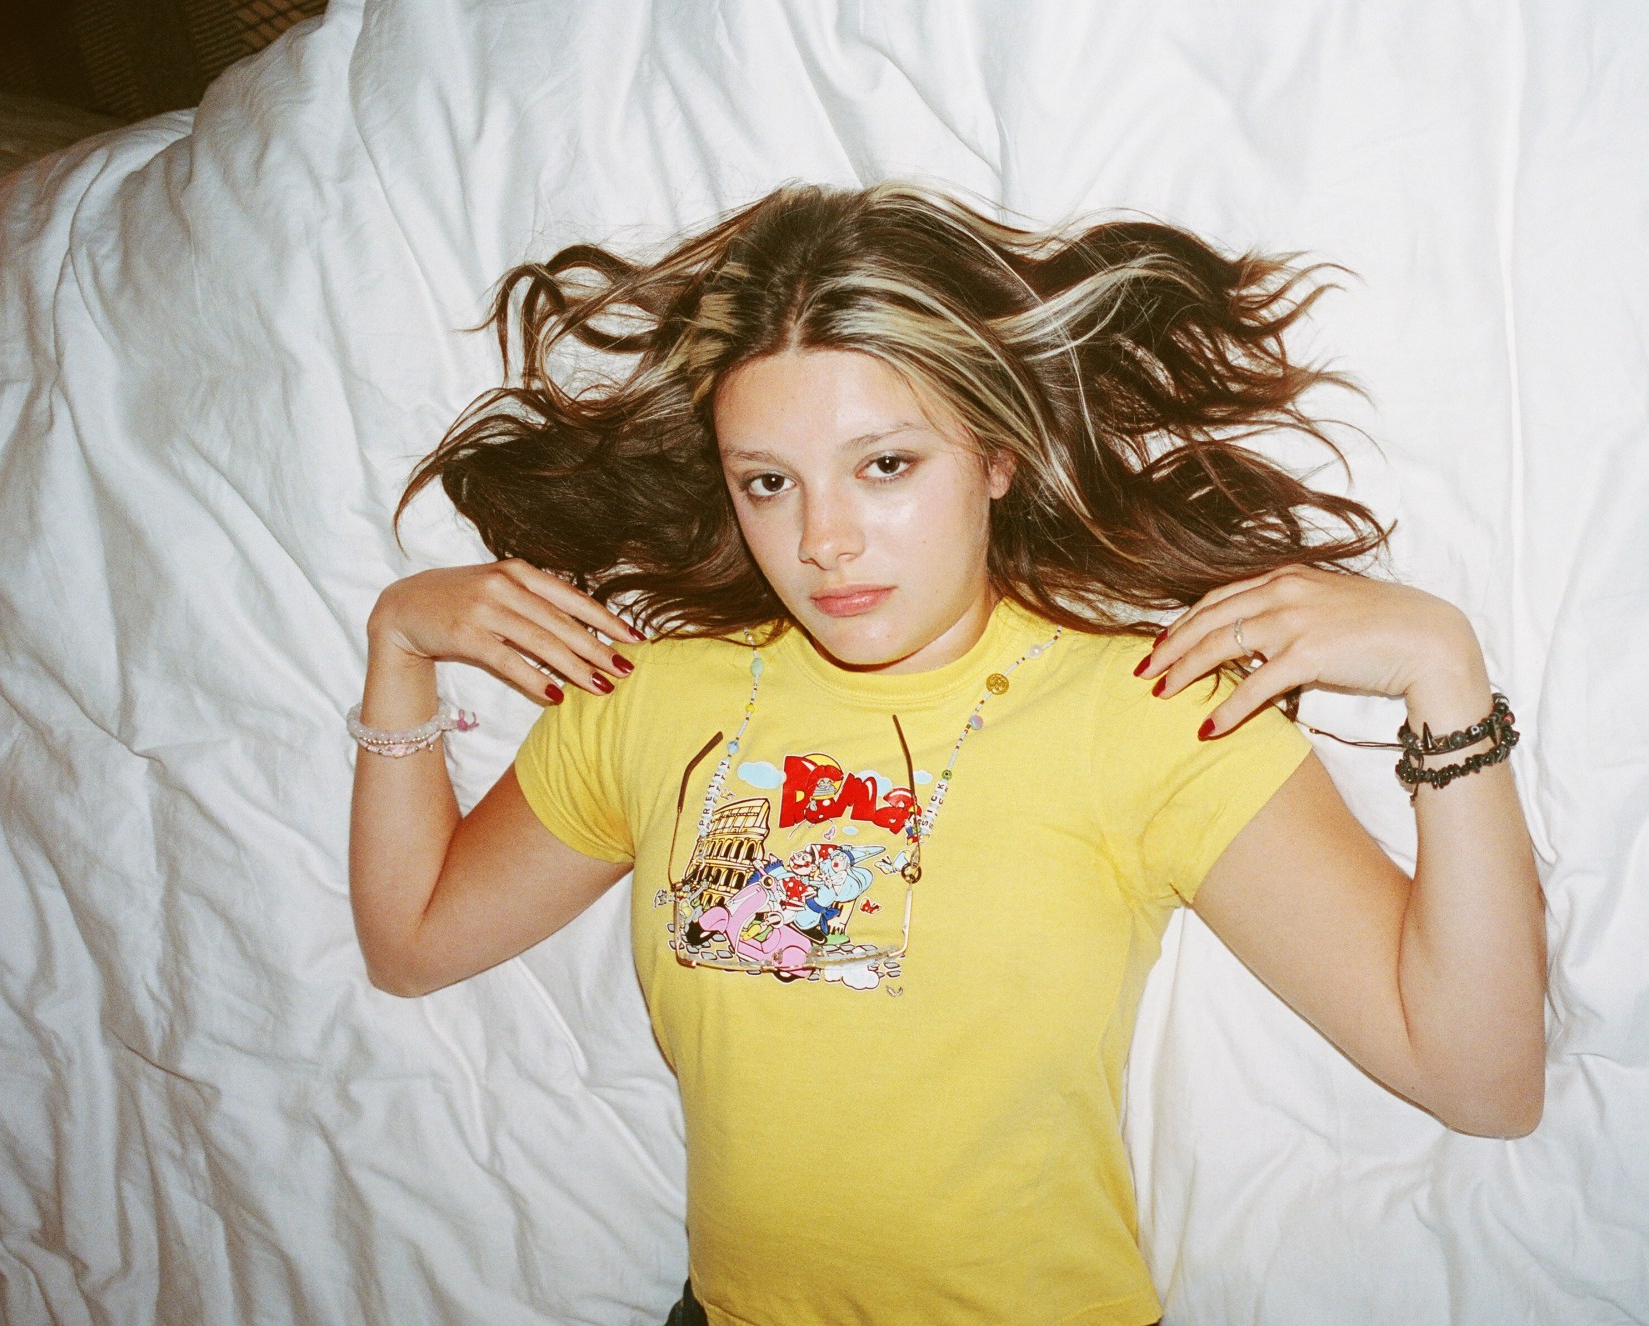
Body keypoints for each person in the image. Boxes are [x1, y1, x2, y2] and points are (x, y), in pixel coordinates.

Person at [346, 181, 1545, 1326]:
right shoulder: (652, 700)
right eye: (768, 483)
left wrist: (1444, 679)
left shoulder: (1144, 709)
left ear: (994, 455)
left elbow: (1479, 1079)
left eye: (885, 465)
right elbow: (412, 942)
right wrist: (398, 643)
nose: (823, 540)